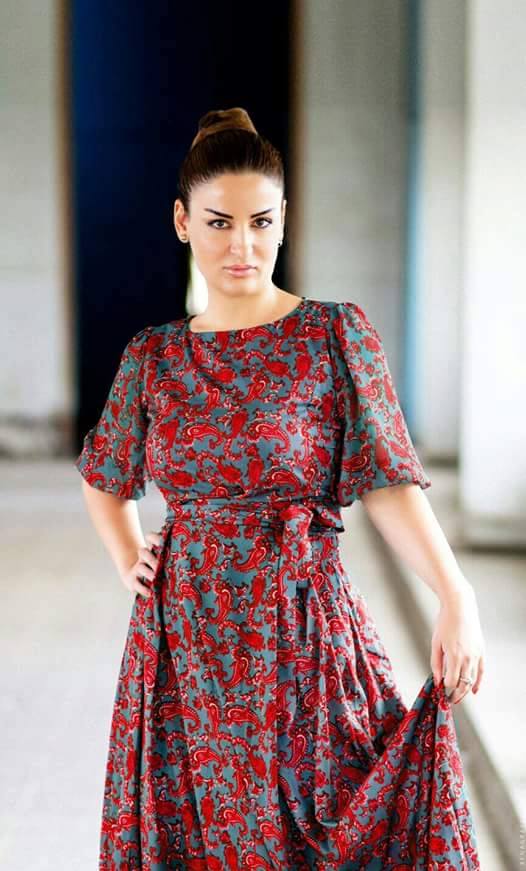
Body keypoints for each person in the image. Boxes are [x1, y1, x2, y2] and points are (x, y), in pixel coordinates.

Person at [76, 107, 484, 869]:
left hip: (305, 632)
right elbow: (106, 475)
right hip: (185, 645)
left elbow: (388, 483)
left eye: (261, 222)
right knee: (203, 836)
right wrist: (130, 556)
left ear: (285, 218)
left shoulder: (334, 335)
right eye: (219, 223)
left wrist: (454, 592)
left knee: (331, 821)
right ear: (182, 222)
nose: (242, 245)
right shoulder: (152, 357)